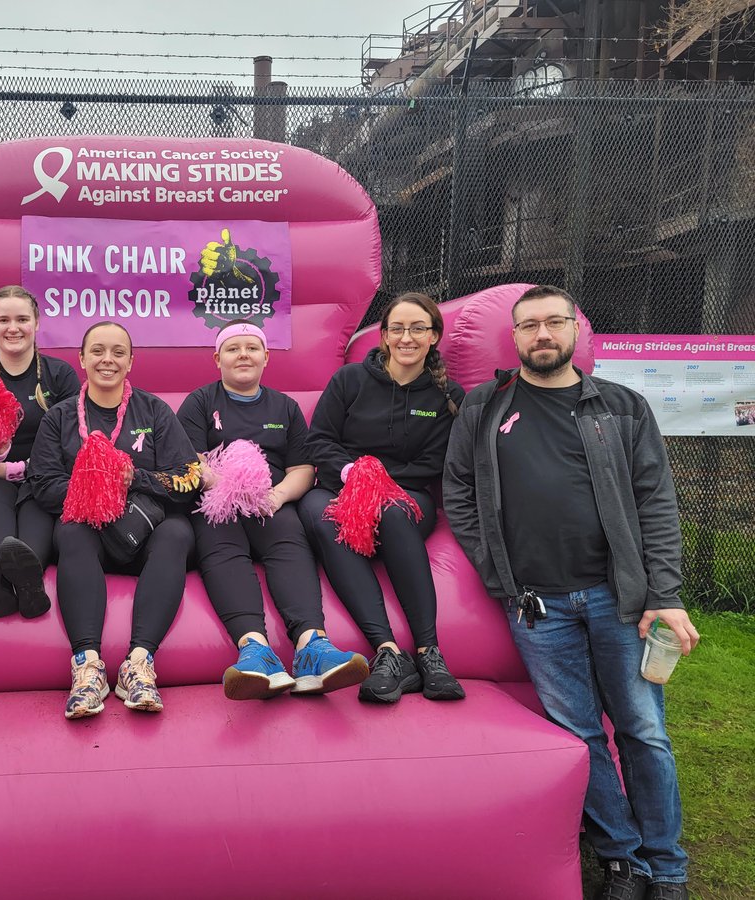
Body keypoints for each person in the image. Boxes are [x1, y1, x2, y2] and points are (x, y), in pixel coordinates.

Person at [443, 284, 698, 900]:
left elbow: (656, 505)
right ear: (515, 335)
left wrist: (664, 592)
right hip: (535, 607)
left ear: (575, 332)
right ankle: (622, 858)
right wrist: (495, 569)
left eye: (555, 323)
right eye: (530, 326)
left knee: (644, 732)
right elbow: (459, 493)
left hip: (620, 599)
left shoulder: (621, 406)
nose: (543, 336)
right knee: (578, 733)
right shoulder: (484, 407)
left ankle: (667, 867)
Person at [177, 321, 368, 700]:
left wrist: (277, 496)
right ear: (217, 359)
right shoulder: (200, 402)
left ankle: (312, 646)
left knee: (289, 543)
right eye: (233, 349)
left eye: (252, 348)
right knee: (222, 546)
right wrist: (230, 488)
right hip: (219, 500)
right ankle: (255, 650)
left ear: (266, 357)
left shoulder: (285, 406)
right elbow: (192, 463)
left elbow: (303, 468)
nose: (243, 355)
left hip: (269, 500)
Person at [299, 292, 467, 704]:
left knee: (392, 512)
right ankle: (388, 653)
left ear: (434, 337)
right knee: (322, 513)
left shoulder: (448, 397)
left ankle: (429, 652)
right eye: (397, 328)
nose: (406, 337)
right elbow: (319, 440)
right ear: (385, 336)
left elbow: (437, 461)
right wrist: (353, 474)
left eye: (417, 329)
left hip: (405, 493)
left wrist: (381, 485)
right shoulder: (350, 380)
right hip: (342, 487)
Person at [29, 322, 201, 718]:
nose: (108, 360)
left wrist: (133, 479)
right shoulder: (59, 417)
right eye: (99, 351)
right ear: (82, 359)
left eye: (118, 352)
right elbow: (43, 483)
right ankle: (87, 667)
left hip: (144, 534)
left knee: (177, 531)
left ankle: (139, 664)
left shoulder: (154, 410)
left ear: (131, 362)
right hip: (89, 534)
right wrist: (97, 489)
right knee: (69, 529)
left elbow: (188, 476)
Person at [0, 285, 79, 619]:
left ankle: (28, 585)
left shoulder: (60, 375)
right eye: (3, 319)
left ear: (36, 323)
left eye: (22, 319)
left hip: (43, 476)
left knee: (37, 503)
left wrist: (17, 469)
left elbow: (70, 445)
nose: (13, 327)